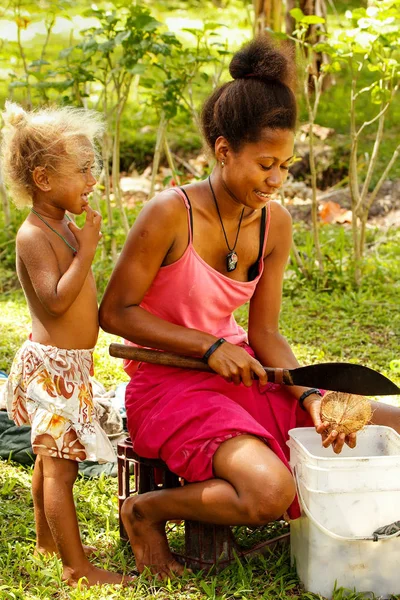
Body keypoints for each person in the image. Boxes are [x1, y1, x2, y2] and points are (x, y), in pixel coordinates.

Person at [99, 37, 400, 578]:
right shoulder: (170, 214)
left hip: (244, 374)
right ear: (222, 151)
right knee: (268, 490)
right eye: (265, 164)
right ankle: (144, 511)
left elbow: (264, 333)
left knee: (397, 422)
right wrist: (209, 346)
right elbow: (116, 313)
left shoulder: (274, 223)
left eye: (285, 165)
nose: (277, 180)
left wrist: (309, 394)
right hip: (170, 384)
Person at [1, 102, 133, 587]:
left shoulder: (60, 226)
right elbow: (56, 302)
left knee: (46, 460)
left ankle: (47, 539)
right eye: (81, 171)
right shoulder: (34, 235)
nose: (91, 178)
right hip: (54, 370)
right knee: (61, 471)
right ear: (42, 178)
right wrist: (90, 249)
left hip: (70, 365)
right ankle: (77, 568)